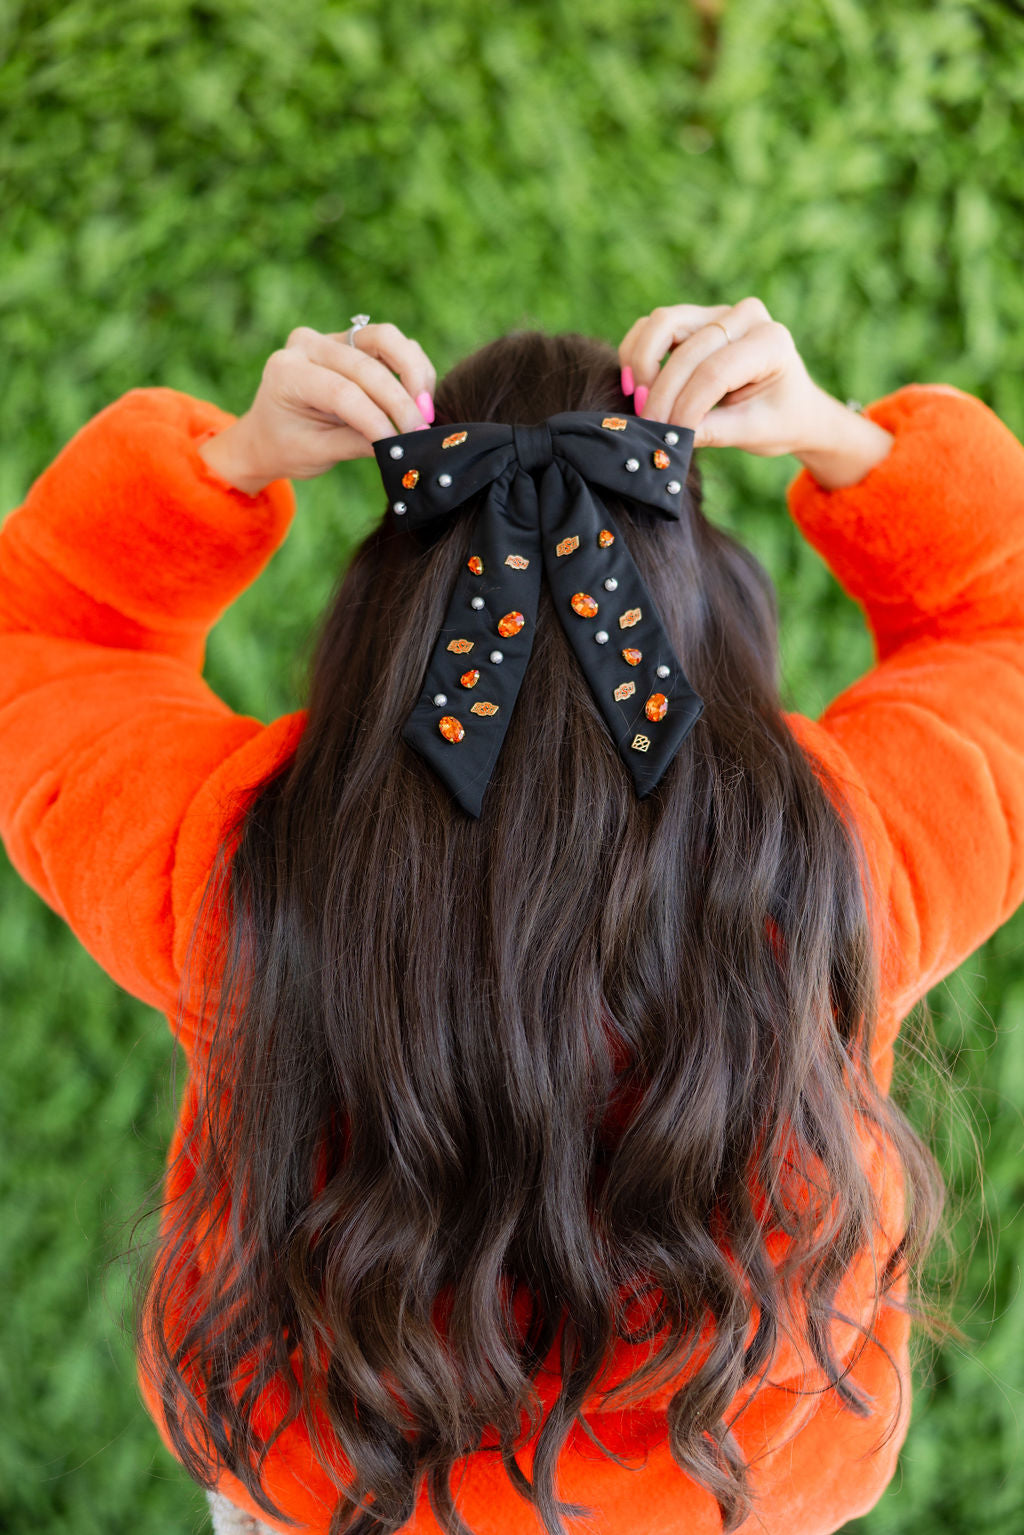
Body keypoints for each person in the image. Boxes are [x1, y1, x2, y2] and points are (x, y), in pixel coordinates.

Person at [1, 296, 1022, 1535]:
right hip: (736, 1493)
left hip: (328, 1488)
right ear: (694, 583)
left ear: (389, 602)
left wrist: (227, 465)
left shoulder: (233, 856)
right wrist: (842, 437)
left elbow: (43, 641)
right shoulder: (839, 856)